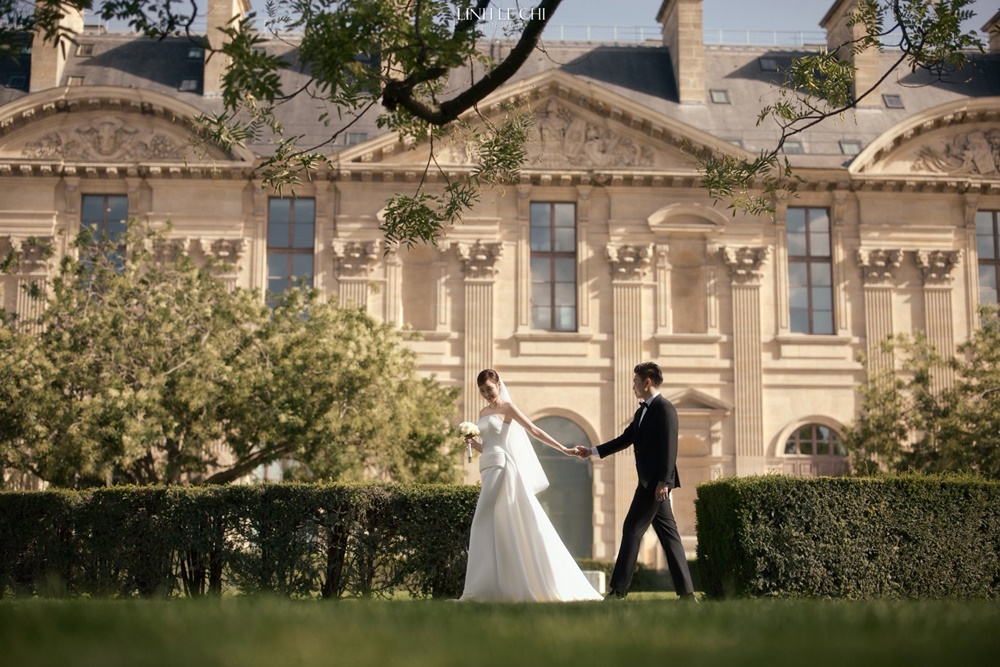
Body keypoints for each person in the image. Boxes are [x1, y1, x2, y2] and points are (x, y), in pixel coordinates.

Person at [459, 369, 602, 602]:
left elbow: (535, 431)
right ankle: (495, 587)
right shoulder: (483, 412)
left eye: (489, 388)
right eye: (482, 390)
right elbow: (489, 446)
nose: (486, 393)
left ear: (498, 384)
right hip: (487, 466)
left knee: (481, 521)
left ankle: (479, 588)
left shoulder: (508, 408)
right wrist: (473, 444)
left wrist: (564, 449)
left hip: (502, 467)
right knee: (499, 524)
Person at [575, 361, 697, 601]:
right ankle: (687, 594)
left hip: (654, 485)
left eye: (635, 381)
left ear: (647, 382)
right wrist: (592, 451)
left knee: (632, 529)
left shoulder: (665, 408)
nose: (633, 386)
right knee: (669, 536)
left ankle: (618, 591)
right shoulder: (642, 412)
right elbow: (625, 439)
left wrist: (664, 482)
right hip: (651, 483)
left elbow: (670, 448)